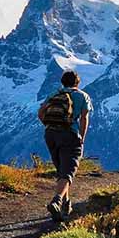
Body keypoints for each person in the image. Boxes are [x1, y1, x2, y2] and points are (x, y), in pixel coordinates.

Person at [37, 69, 92, 222]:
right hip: (70, 135)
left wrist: (48, 125)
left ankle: (66, 205)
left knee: (62, 169)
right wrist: (81, 136)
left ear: (63, 82)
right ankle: (57, 201)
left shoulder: (54, 94)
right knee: (68, 171)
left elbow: (40, 112)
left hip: (50, 135)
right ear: (77, 82)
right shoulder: (82, 96)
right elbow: (84, 118)